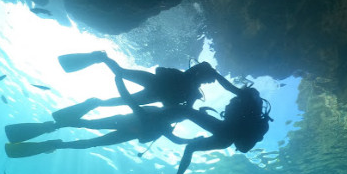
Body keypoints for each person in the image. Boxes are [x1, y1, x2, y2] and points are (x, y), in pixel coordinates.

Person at [4, 75, 194, 158]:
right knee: (88, 129)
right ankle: (52, 133)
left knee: (88, 130)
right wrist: (189, 140)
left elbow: (164, 137)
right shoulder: (161, 118)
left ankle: (53, 133)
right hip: (124, 126)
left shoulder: (163, 121)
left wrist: (188, 140)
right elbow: (171, 138)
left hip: (124, 128)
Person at [156, 85, 272, 174]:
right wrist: (205, 116)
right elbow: (233, 122)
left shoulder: (244, 101)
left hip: (224, 130)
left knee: (187, 112)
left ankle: (158, 117)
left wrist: (204, 116)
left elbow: (230, 122)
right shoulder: (250, 109)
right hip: (225, 140)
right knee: (190, 147)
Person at [52, 51, 221, 123]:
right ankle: (96, 98)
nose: (206, 82)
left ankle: (101, 59)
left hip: (153, 86)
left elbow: (160, 71)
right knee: (122, 88)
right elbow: (180, 110)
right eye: (208, 80)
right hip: (154, 89)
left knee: (121, 79)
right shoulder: (192, 90)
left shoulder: (191, 88)